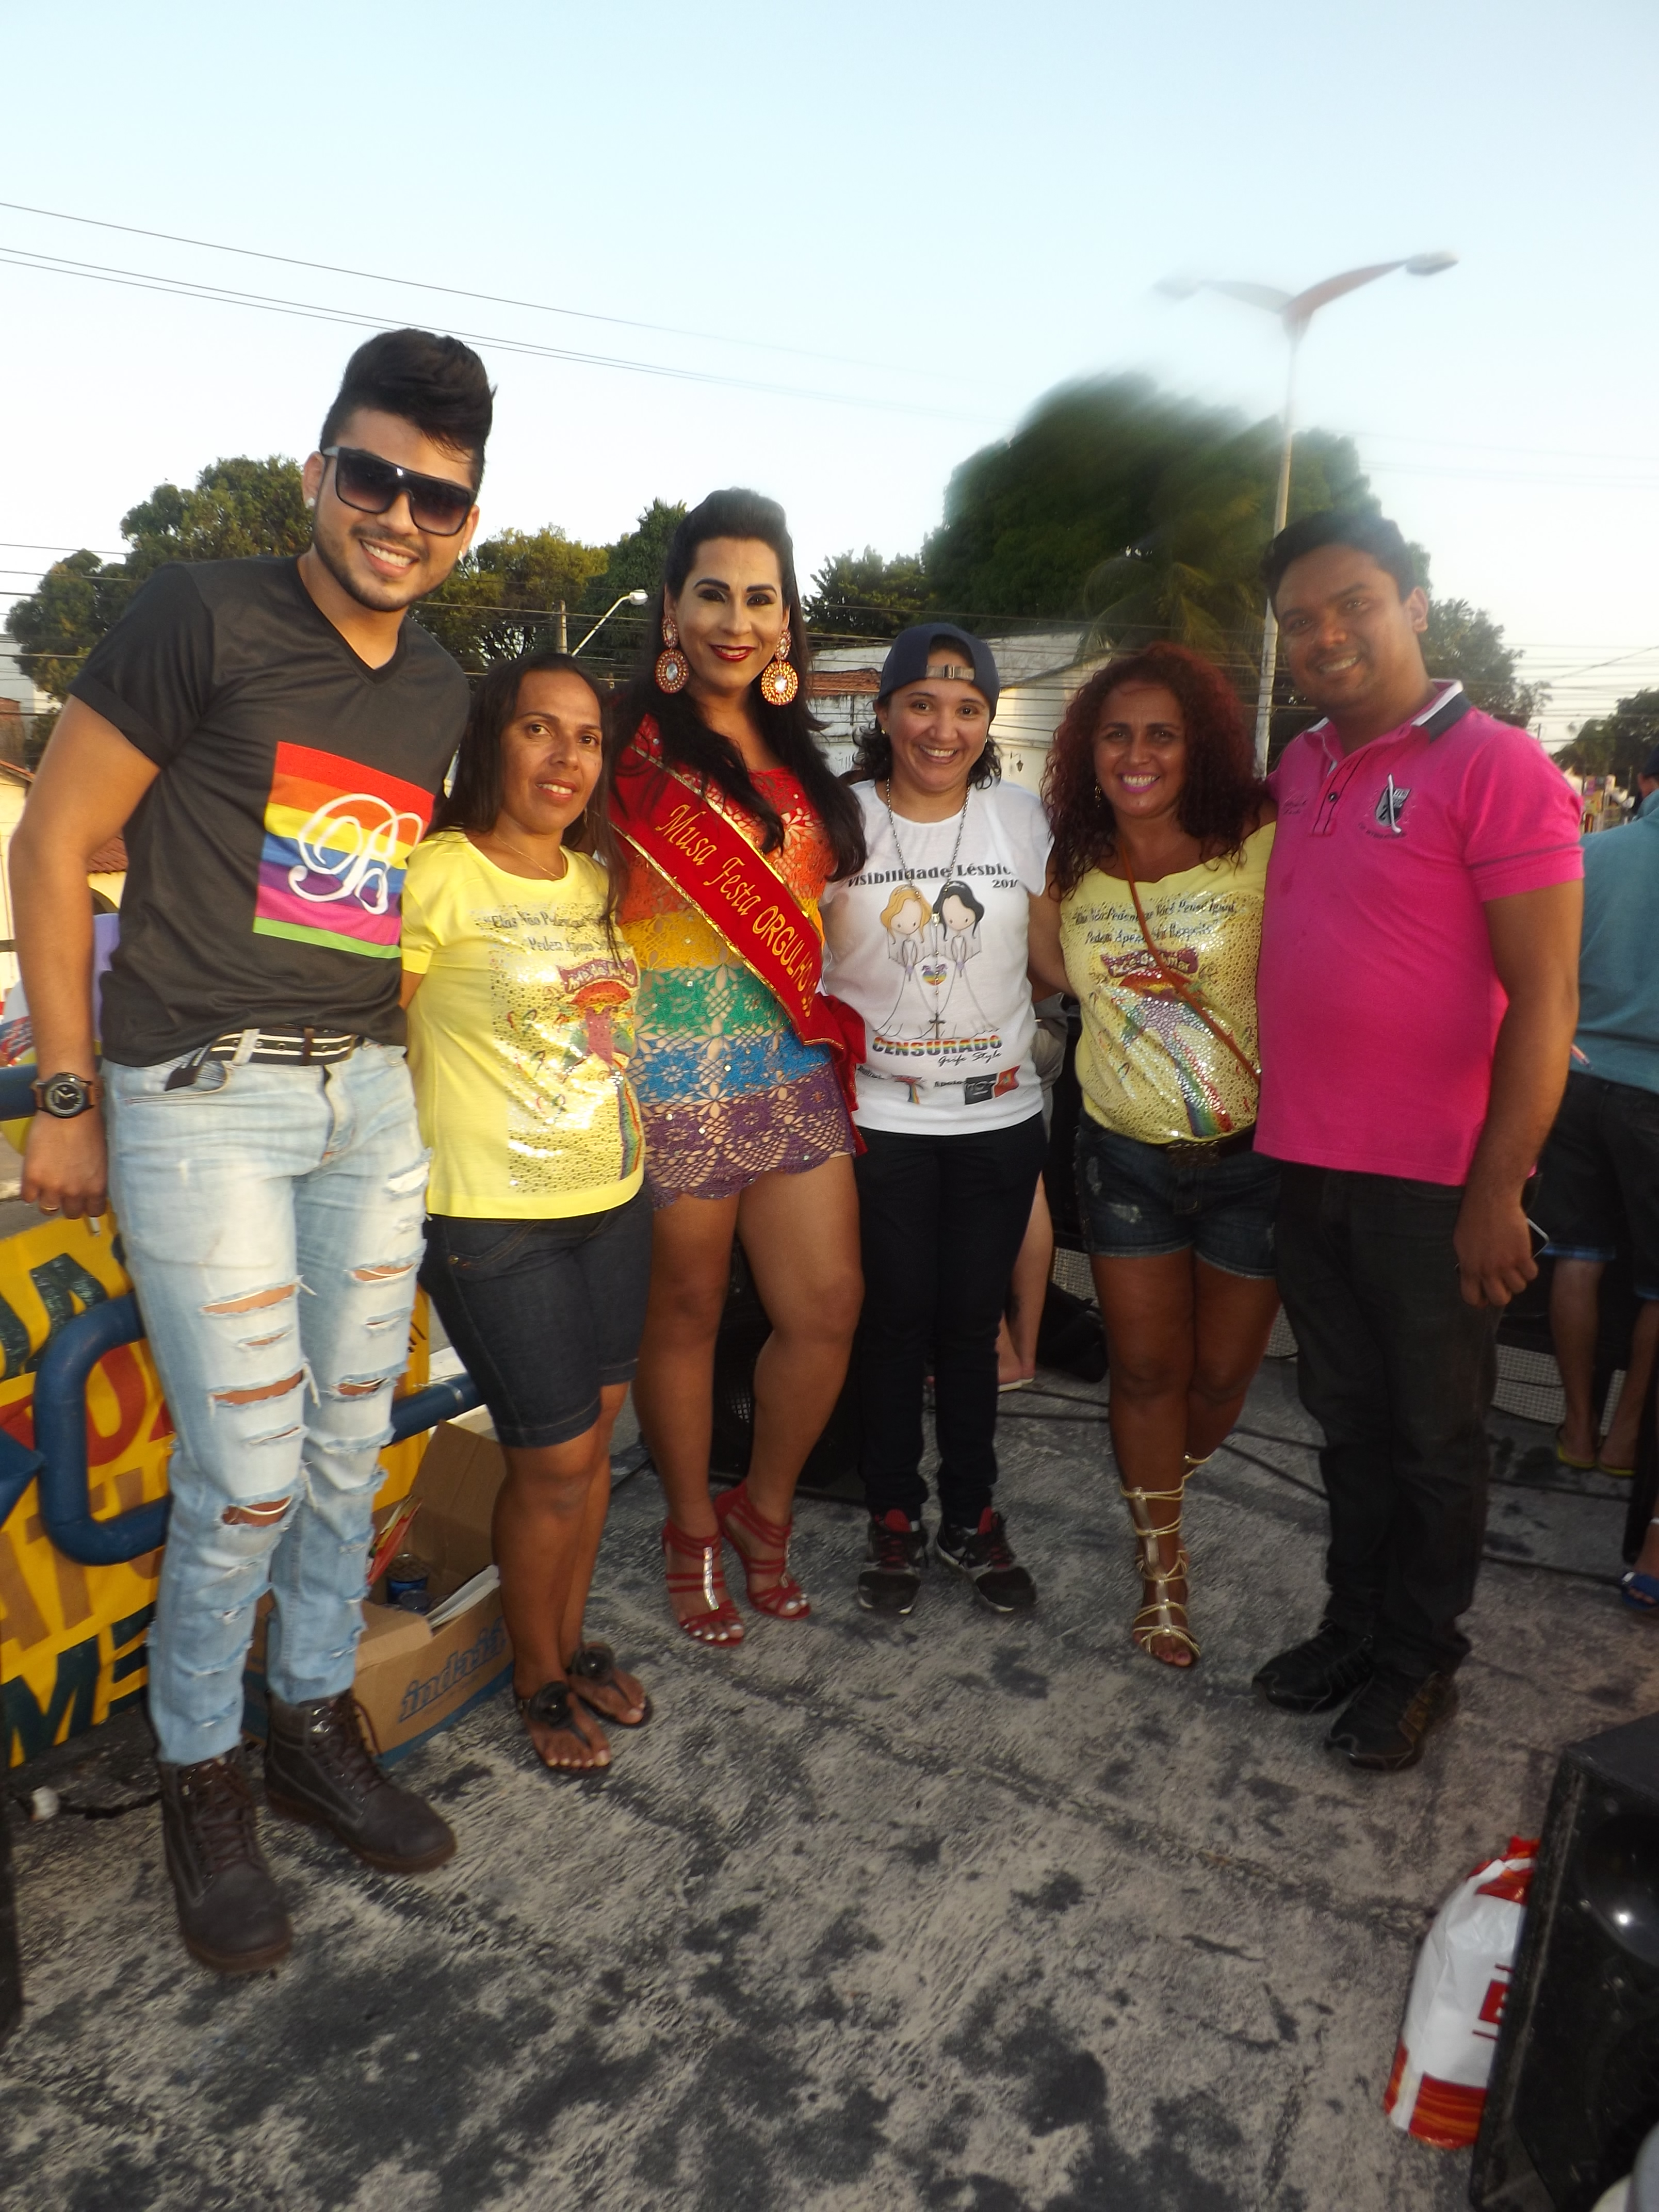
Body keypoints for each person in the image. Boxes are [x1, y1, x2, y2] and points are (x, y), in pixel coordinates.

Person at [12, 331, 493, 1971]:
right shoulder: (197, 613)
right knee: (251, 1475)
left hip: (370, 1102)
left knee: (353, 1451)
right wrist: (66, 1093)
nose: (399, 517)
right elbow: (54, 842)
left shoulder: (439, 688)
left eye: (438, 497)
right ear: (317, 472)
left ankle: (311, 1724)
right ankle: (200, 1775)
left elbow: (381, 898)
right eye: (374, 476)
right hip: (203, 1099)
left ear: (469, 523)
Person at [1249, 510, 1583, 1771]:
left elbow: (1548, 999)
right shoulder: (1300, 764)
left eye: (1354, 603)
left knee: (1437, 1436)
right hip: (1307, 1157)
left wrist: (1499, 1189)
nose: (1326, 633)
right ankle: (1354, 1625)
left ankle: (1418, 1659)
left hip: (1436, 1181)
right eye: (1300, 619)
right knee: (1346, 1416)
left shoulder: (1497, 765)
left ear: (1415, 605)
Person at [608, 490, 866, 1645]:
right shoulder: (623, 747)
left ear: (787, 620)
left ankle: (763, 1510)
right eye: (713, 593)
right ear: (672, 608)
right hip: (666, 1075)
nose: (737, 620)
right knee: (688, 1312)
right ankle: (687, 1526)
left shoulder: (803, 754)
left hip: (786, 1071)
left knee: (827, 1307)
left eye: (762, 598)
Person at [402, 649, 652, 1772]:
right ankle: (536, 1675)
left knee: (593, 1447)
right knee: (551, 1461)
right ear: (490, 739)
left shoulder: (596, 882)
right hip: (491, 1217)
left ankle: (568, 1638)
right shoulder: (439, 872)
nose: (567, 756)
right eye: (538, 729)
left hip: (614, 1198)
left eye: (588, 737)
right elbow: (371, 1030)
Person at [1029, 644, 1280, 1668]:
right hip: (1123, 1159)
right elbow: (1042, 971)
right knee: (1143, 1370)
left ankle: (1159, 1480)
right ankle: (1162, 1569)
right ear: (1089, 753)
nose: (1137, 754)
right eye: (1117, 735)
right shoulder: (1067, 869)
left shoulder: (1258, 843)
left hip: (1254, 1160)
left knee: (1218, 1379)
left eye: (1161, 735)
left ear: (1199, 747)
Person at [820, 625, 1050, 1617]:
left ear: (988, 722)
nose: (942, 728)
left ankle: (970, 1515)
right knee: (892, 1321)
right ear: (885, 712)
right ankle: (892, 1514)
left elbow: (1052, 960)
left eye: (966, 709)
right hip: (880, 1118)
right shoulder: (839, 819)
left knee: (968, 1326)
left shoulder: (1020, 819)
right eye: (921, 703)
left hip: (1000, 1119)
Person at [1536, 742, 1659, 1590]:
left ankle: (1576, 1428)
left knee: (1576, 1254)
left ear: (1646, 784)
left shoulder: (1592, 855)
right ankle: (1627, 1439)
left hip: (1574, 1079)